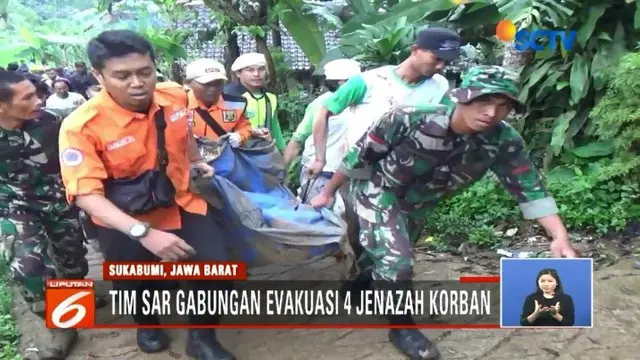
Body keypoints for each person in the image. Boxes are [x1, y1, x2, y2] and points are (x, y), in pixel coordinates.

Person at [310, 65, 578, 359]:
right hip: (379, 190)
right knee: (398, 259)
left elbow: (529, 188)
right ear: (462, 97)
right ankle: (402, 328)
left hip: (420, 202)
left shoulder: (504, 140)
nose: (491, 113)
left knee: (386, 256)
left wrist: (559, 236)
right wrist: (327, 192)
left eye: (502, 106)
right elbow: (357, 157)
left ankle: (360, 285)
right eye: (483, 101)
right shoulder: (409, 117)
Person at [58, 30, 237, 359]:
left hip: (182, 202)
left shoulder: (174, 95)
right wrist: (143, 233)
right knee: (136, 282)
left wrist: (196, 160)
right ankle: (147, 322)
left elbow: (183, 129)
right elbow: (84, 193)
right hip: (123, 218)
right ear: (98, 75)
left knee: (217, 270)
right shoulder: (80, 126)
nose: (137, 83)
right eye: (122, 76)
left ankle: (202, 337)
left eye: (144, 72)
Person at [0, 70, 103, 360]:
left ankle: (75, 295)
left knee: (71, 260)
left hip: (58, 201)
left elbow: (73, 157)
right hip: (13, 206)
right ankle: (61, 327)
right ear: (2, 106)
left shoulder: (49, 123)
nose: (38, 100)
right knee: (28, 267)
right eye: (28, 97)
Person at [308, 27, 460, 177]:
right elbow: (323, 112)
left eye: (446, 62)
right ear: (415, 50)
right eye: (437, 58)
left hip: (402, 177)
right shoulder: (368, 81)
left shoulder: (440, 86)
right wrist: (320, 159)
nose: (440, 66)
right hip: (356, 173)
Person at [284, 58, 361, 204]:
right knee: (317, 217)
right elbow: (298, 139)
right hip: (321, 172)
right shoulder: (321, 105)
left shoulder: (364, 103)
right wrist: (282, 174)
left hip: (350, 172)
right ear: (340, 82)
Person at [184, 58, 252, 146]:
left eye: (218, 83)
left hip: (223, 156)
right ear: (189, 83)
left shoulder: (236, 104)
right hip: (188, 157)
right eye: (206, 84)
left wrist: (240, 136)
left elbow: (245, 127)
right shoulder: (178, 103)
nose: (213, 89)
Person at [224, 53, 285, 150]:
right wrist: (251, 131)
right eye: (250, 70)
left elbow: (275, 128)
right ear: (238, 73)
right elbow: (223, 128)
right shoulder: (229, 96)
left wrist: (283, 152)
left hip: (262, 151)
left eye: (261, 69)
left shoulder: (270, 97)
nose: (256, 74)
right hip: (236, 152)